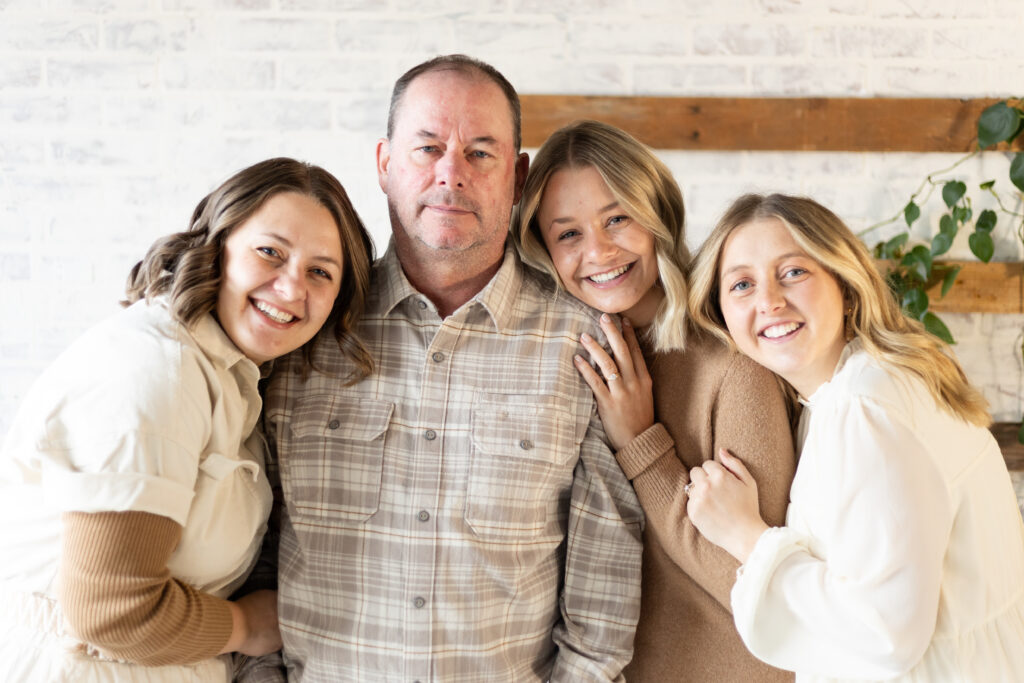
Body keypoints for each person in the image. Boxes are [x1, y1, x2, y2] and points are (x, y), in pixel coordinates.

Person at [237, 57, 644, 683]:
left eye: (480, 153)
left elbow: (603, 590)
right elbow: (251, 549)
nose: (450, 174)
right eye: (428, 148)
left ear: (517, 176)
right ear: (384, 164)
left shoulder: (585, 340)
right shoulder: (304, 328)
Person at [0, 157, 375, 683]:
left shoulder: (229, 380)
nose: (291, 289)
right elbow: (112, 609)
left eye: (319, 271)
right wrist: (247, 625)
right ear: (217, 246)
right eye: (270, 252)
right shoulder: (157, 370)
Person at [685, 192, 1024, 681]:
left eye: (794, 272)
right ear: (721, 314)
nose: (769, 301)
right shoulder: (873, 381)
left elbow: (885, 635)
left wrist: (746, 535)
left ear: (845, 286)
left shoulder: (864, 408)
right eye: (741, 284)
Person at [512, 120, 797, 681]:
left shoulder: (733, 367)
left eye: (617, 218)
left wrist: (643, 447)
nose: (598, 250)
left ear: (658, 213)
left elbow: (758, 585)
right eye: (568, 233)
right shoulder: (575, 359)